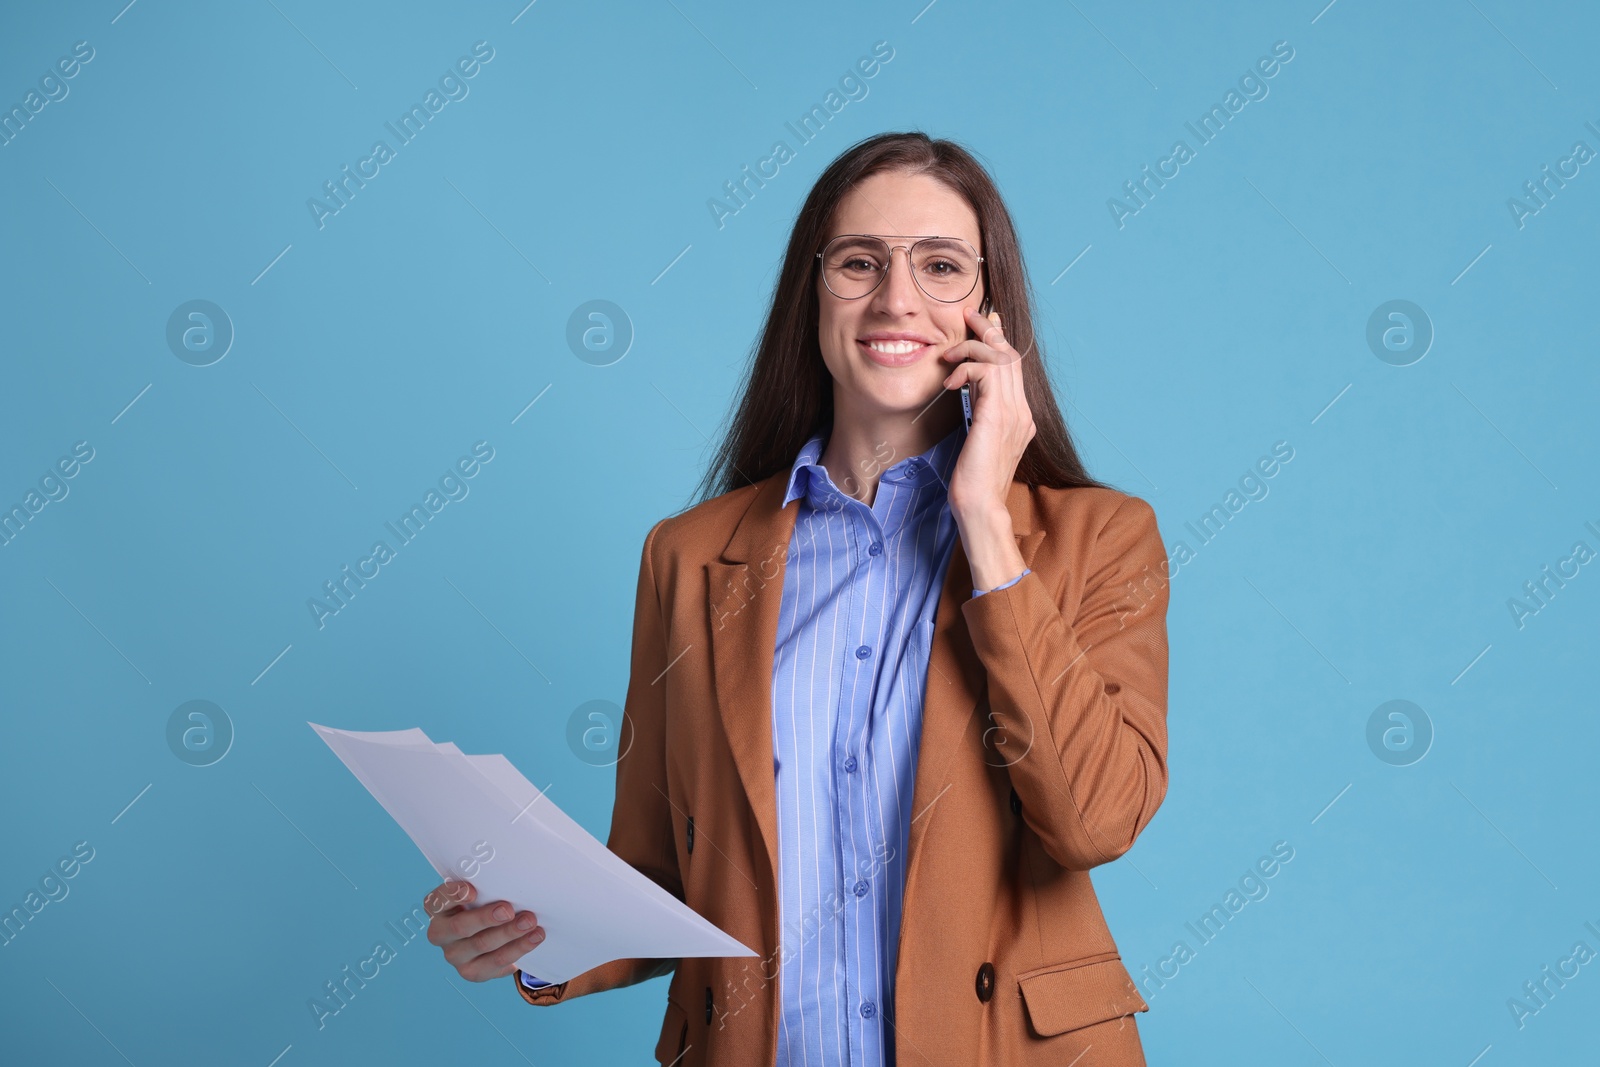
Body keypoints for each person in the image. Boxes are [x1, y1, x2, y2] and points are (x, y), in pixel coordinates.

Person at [423, 131, 1171, 1066]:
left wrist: (984, 519)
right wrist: (531, 936)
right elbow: (661, 871)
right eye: (860, 262)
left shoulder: (1099, 538)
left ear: (990, 309)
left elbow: (1094, 817)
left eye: (940, 265)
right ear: (812, 293)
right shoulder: (689, 558)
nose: (897, 297)